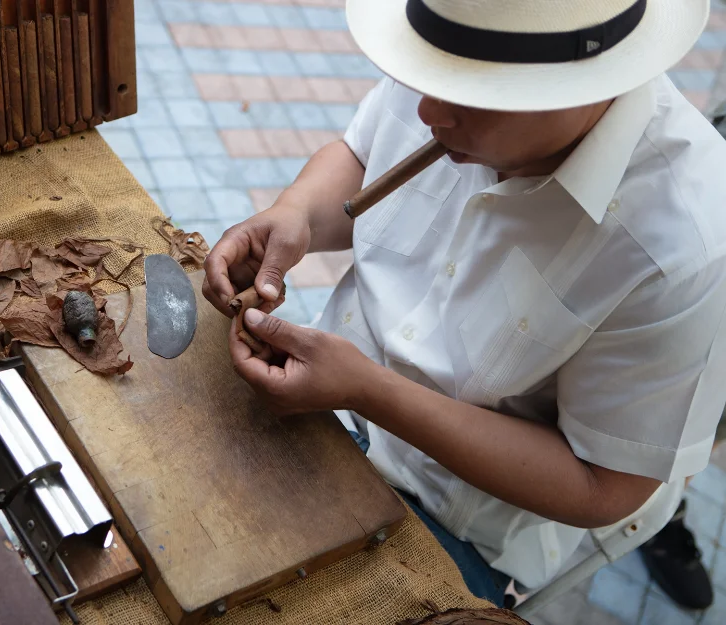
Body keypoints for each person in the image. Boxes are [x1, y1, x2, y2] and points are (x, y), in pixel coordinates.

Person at [201, 0, 726, 609]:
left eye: (470, 94)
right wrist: (294, 213)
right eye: (425, 78)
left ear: (586, 86)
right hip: (328, 409)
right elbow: (361, 156)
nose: (427, 112)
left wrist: (366, 390)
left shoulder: (687, 248)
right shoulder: (456, 63)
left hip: (449, 520)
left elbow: (602, 486)